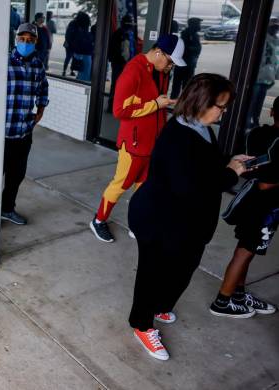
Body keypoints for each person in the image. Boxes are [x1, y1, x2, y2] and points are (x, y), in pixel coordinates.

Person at [127, 73, 250, 361]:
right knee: (152, 274)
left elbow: (209, 163)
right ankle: (142, 325)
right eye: (220, 106)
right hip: (158, 220)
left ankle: (160, 305)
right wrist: (231, 173)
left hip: (186, 222)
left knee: (184, 267)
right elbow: (191, 187)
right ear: (201, 102)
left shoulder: (201, 126)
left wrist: (233, 162)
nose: (223, 112)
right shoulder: (177, 137)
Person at [90, 34, 185, 242]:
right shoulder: (133, 70)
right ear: (159, 52)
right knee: (121, 184)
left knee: (143, 187)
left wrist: (165, 102)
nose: (171, 66)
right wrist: (156, 105)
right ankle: (98, 220)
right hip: (133, 144)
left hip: (153, 142)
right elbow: (119, 111)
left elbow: (156, 100)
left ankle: (136, 222)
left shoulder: (160, 71)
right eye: (170, 61)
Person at [210, 97, 279, 318]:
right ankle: (223, 300)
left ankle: (238, 294)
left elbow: (247, 166)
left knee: (246, 249)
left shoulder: (257, 133)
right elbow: (267, 183)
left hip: (250, 200)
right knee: (245, 251)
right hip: (265, 207)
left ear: (271, 113)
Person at [2, 23, 49, 225]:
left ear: (36, 42)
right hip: (0, 133)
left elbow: (43, 88)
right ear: (16, 39)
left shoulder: (38, 64)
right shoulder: (3, 62)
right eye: (22, 38)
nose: (26, 42)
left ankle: (7, 209)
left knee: (16, 176)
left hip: (23, 132)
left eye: (30, 40)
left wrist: (40, 110)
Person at [247, 19, 279, 129]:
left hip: (267, 77)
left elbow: (275, 60)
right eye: (273, 27)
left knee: (259, 102)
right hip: (258, 77)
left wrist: (275, 75)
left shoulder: (275, 41)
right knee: (253, 101)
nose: (275, 29)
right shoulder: (262, 39)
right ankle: (247, 121)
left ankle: (255, 119)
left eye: (277, 27)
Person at [171, 18, 203, 99]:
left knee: (184, 85)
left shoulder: (193, 34)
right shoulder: (187, 34)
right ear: (193, 25)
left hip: (188, 64)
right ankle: (175, 101)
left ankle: (179, 101)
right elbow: (185, 48)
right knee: (181, 85)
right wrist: (195, 49)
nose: (200, 26)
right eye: (198, 24)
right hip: (185, 64)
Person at [70, 12, 94, 82]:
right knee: (84, 76)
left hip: (78, 54)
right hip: (85, 55)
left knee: (80, 74)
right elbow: (87, 45)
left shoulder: (76, 30)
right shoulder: (84, 33)